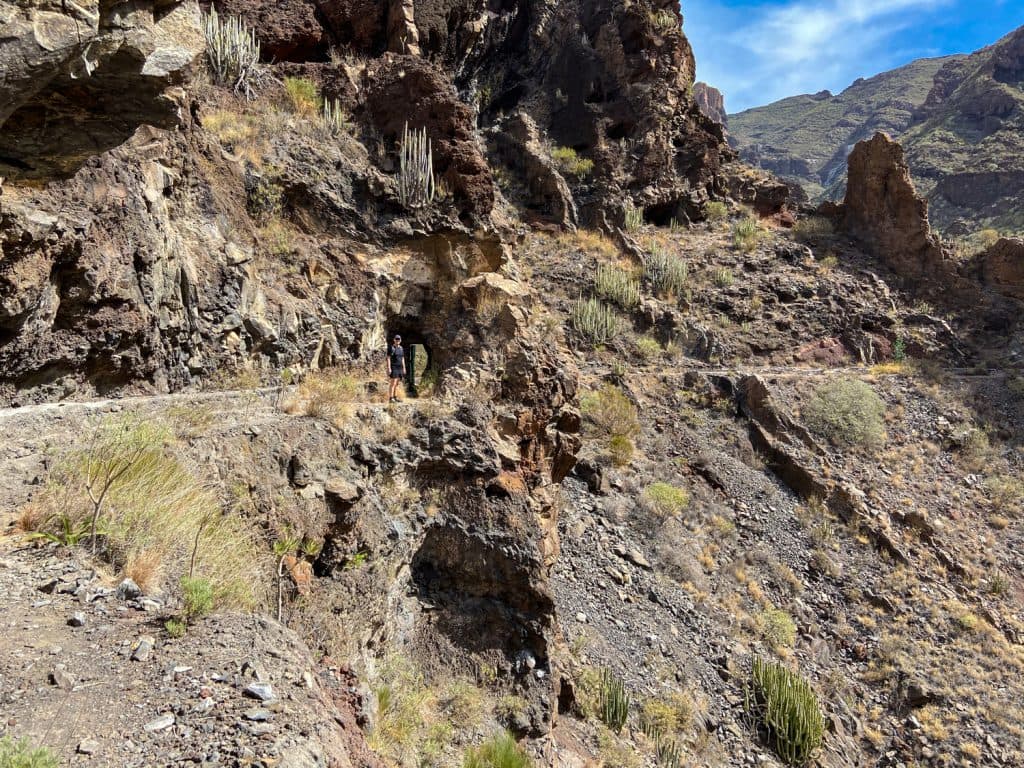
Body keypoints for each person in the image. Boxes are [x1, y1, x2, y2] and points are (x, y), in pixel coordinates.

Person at [387, 334, 406, 403]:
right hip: (394, 367)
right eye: (396, 339)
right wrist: (389, 368)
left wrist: (404, 368)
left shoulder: (401, 348)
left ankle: (395, 397)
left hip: (400, 367)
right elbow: (388, 358)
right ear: (394, 340)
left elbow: (402, 358)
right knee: (393, 383)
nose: (397, 340)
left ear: (400, 340)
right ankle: (391, 398)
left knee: (397, 383)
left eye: (399, 339)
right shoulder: (391, 348)